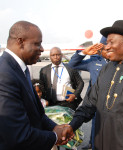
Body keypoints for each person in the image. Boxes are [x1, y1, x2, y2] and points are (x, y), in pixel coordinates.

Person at [63, 20, 123, 150]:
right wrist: (72, 125)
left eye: (111, 42)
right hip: (101, 144)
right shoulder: (106, 69)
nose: (106, 46)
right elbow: (89, 104)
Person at [0, 21, 74, 150]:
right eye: (37, 44)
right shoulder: (5, 74)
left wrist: (54, 127)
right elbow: (18, 135)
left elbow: (37, 113)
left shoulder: (20, 68)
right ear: (20, 41)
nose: (41, 49)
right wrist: (55, 137)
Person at [68, 36, 107, 150]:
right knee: (96, 127)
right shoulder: (94, 61)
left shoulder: (118, 61)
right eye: (103, 46)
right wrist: (83, 53)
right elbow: (72, 65)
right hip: (97, 102)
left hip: (114, 103)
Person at [40, 47, 84, 111]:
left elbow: (80, 83)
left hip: (68, 103)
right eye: (53, 55)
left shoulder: (70, 68)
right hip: (51, 103)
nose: (56, 57)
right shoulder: (44, 70)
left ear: (61, 55)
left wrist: (75, 95)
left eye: (58, 54)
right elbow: (41, 87)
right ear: (50, 56)